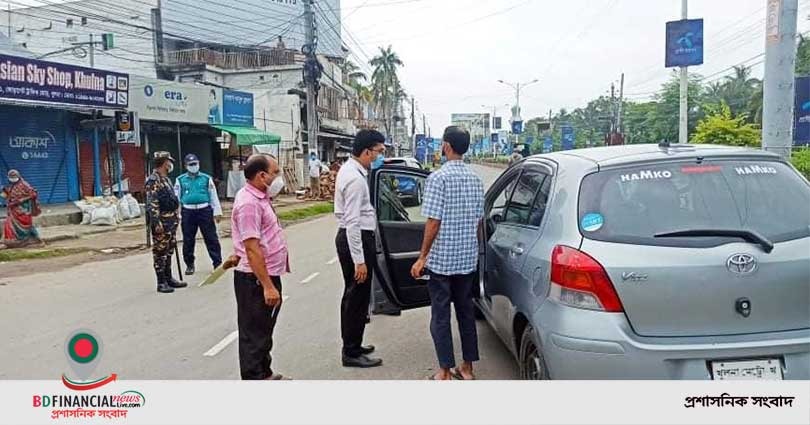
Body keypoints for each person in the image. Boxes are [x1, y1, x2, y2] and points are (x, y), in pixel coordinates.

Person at [411, 126, 485, 381]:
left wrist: (423, 256)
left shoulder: (438, 178)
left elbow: (433, 222)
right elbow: (478, 221)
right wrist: (474, 249)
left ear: (447, 146)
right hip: (466, 260)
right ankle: (467, 368)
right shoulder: (476, 179)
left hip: (442, 262)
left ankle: (444, 372)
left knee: (441, 315)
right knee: (466, 313)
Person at [231, 154, 290, 380]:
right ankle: (255, 377)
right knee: (255, 334)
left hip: (265, 273)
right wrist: (267, 286)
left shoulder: (259, 197)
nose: (279, 177)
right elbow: (252, 247)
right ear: (262, 176)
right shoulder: (249, 203)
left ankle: (265, 373)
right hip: (255, 278)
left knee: (263, 329)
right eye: (275, 172)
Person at [333, 129, 386, 368]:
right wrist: (359, 260)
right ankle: (351, 352)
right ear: (366, 151)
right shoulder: (355, 179)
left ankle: (354, 343)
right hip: (356, 239)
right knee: (356, 298)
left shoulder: (351, 170)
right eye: (378, 151)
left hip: (355, 237)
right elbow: (353, 222)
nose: (379, 156)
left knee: (356, 296)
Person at [174, 154, 223, 275]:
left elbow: (213, 195)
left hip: (204, 210)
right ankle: (189, 264)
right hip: (188, 211)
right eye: (191, 164)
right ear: (186, 166)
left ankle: (217, 263)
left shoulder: (206, 178)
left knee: (211, 238)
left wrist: (217, 212)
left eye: (195, 164)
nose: (193, 166)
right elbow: (176, 198)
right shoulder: (180, 180)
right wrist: (176, 214)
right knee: (188, 240)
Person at [145, 152, 187, 294]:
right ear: (164, 163)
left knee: (169, 250)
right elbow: (152, 203)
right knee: (160, 252)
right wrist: (156, 222)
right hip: (162, 222)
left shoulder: (166, 179)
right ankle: (161, 281)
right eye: (169, 162)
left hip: (171, 221)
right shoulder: (153, 180)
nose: (170, 164)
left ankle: (169, 278)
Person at [1, 169, 42, 246]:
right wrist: (5, 193)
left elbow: (33, 194)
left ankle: (35, 240)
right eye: (11, 177)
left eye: (14, 176)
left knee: (28, 226)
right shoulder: (11, 185)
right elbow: (9, 195)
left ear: (18, 176)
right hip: (13, 210)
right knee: (9, 224)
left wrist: (21, 200)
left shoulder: (24, 185)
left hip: (23, 209)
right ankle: (9, 241)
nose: (13, 178)